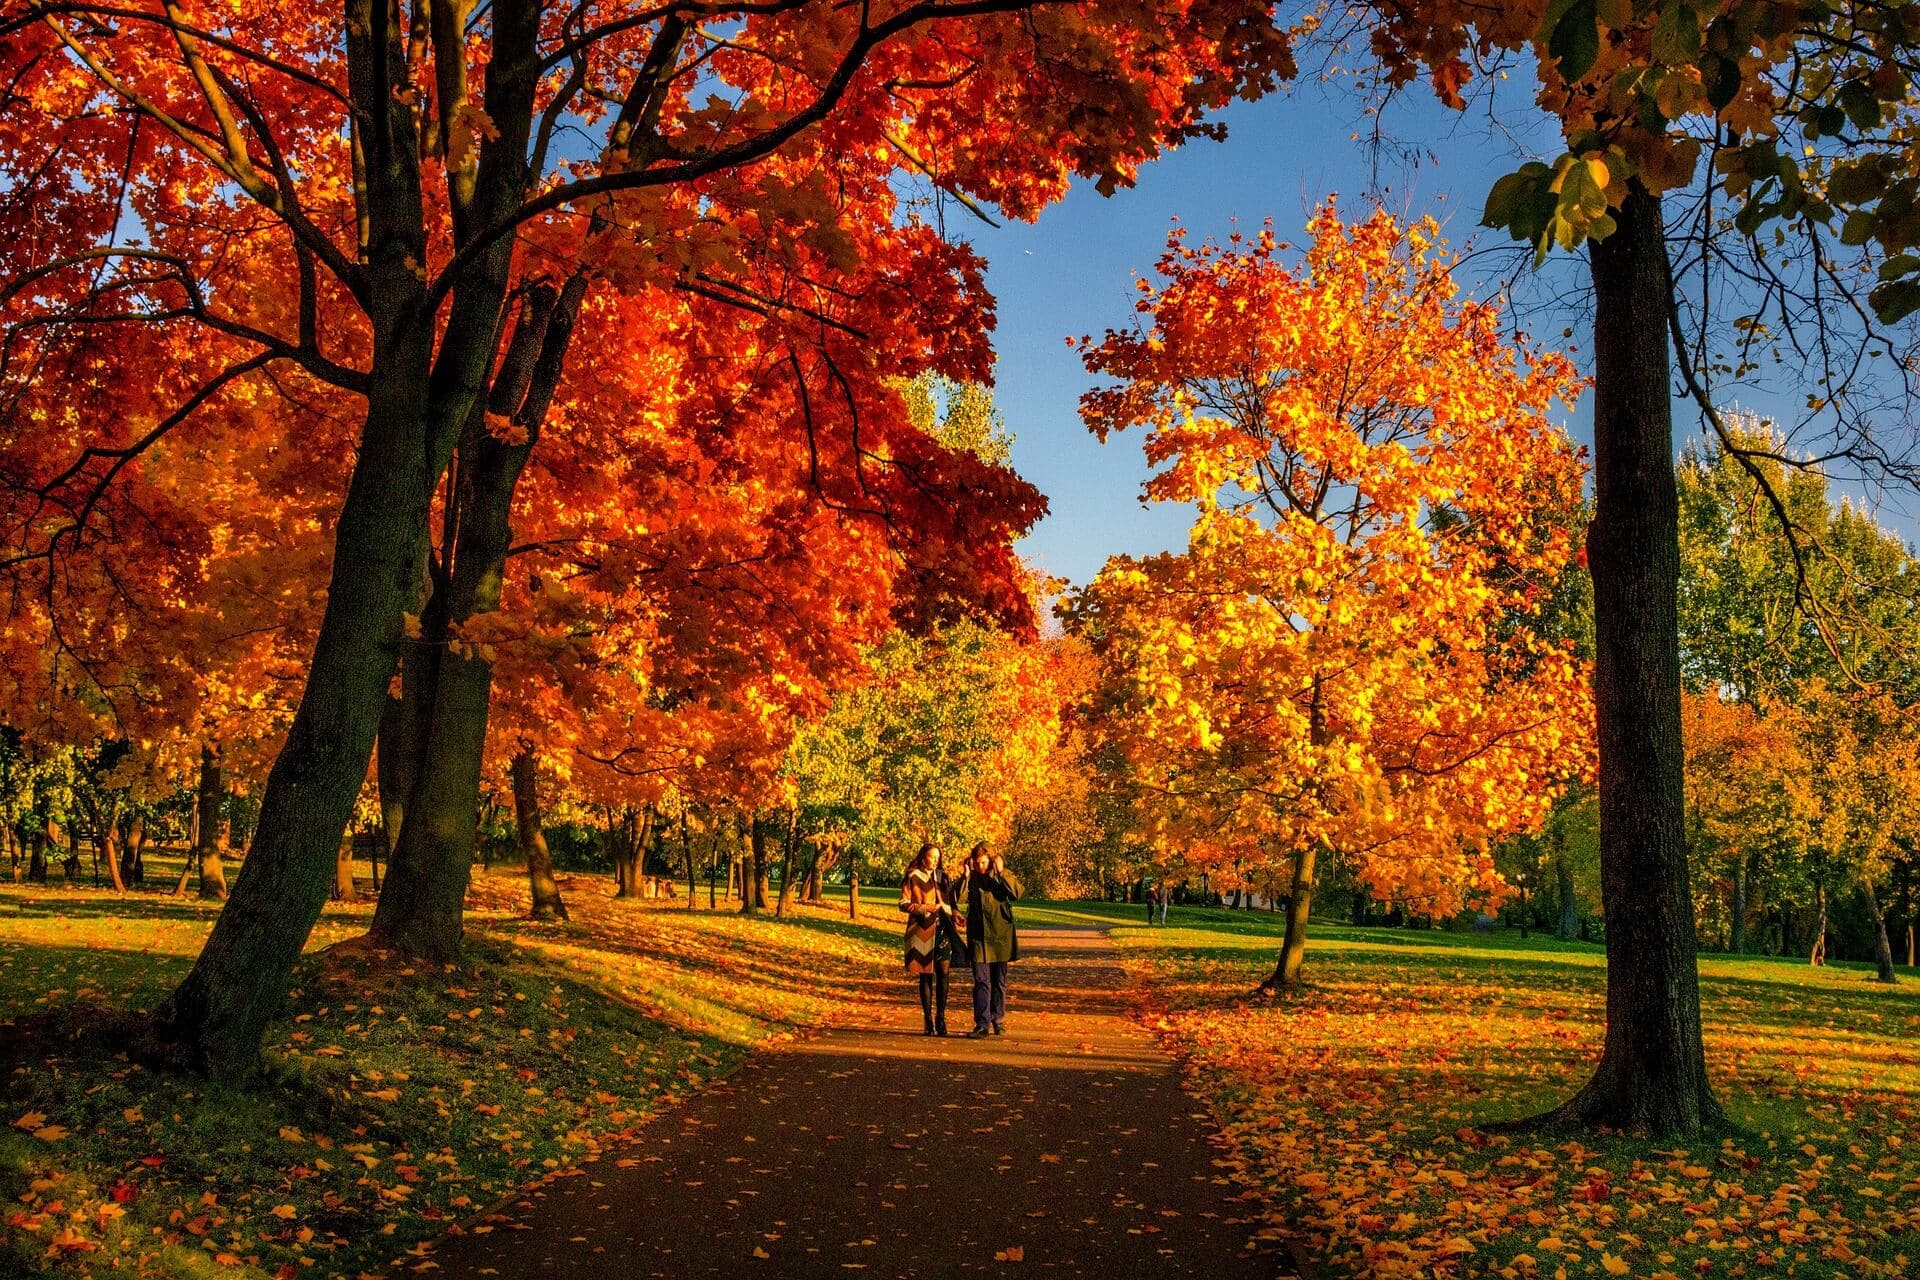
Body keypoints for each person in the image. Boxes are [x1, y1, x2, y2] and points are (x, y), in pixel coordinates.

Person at [954, 842, 1021, 1037]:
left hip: (1000, 935)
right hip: (978, 937)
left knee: (999, 981)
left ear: (991, 860)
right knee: (981, 981)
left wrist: (1001, 872)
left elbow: (1017, 893)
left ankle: (998, 1019)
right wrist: (966, 876)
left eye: (983, 862)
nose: (980, 866)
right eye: (976, 862)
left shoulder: (1001, 875)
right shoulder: (971, 877)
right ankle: (982, 1024)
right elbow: (958, 897)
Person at [897, 843, 959, 1035]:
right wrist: (928, 908)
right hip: (922, 930)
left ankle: (941, 1017)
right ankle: (928, 1019)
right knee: (926, 973)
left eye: (937, 857)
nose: (935, 860)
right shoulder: (913, 876)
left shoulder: (943, 877)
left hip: (944, 928)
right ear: (923, 857)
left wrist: (956, 914)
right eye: (931, 857)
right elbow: (903, 903)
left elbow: (951, 903)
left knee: (944, 971)